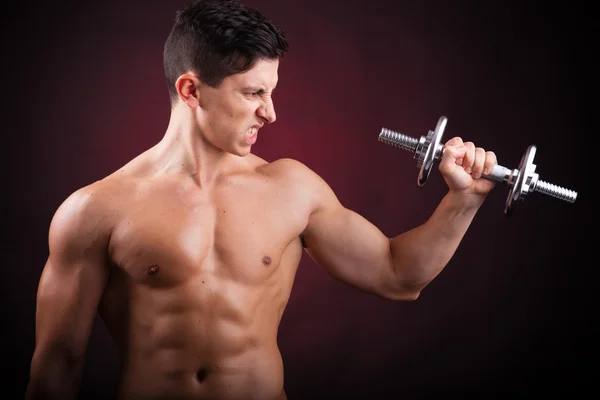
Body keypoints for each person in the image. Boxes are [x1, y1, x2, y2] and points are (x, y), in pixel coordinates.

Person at [25, 0, 497, 399]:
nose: (269, 113)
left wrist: (464, 199)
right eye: (253, 93)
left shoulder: (292, 188)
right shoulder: (95, 210)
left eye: (271, 92)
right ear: (191, 90)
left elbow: (398, 276)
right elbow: (57, 363)